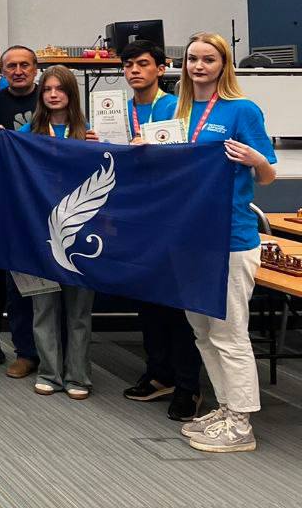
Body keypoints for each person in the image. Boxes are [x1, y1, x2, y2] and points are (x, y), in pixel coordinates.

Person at [175, 32, 276, 453]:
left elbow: (267, 175)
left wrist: (257, 159)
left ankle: (241, 422)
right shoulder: (178, 110)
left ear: (223, 65)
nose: (199, 66)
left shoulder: (242, 110)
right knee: (202, 331)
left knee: (229, 333)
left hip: (230, 237)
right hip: (188, 238)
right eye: (192, 59)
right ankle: (225, 406)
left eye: (208, 59)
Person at [117, 41, 201, 421]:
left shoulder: (177, 108)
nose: (135, 70)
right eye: (129, 64)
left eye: (142, 63)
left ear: (161, 68)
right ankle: (158, 373)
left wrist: (150, 148)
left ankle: (188, 385)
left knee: (176, 304)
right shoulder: (117, 111)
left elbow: (186, 159)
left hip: (171, 217)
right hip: (135, 218)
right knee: (148, 301)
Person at [19, 66, 99, 400]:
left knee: (79, 309)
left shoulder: (88, 132)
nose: (53, 95)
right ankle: (49, 373)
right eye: (47, 89)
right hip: (40, 231)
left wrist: (101, 148)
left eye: (60, 89)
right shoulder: (29, 131)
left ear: (71, 93)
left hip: (80, 232)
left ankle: (78, 375)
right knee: (44, 307)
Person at [0, 44, 42, 377]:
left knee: (50, 284)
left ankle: (55, 352)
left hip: (47, 203)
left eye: (24, 65)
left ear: (35, 68)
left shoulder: (50, 98)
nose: (18, 71)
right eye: (11, 66)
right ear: (2, 71)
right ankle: (25, 352)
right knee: (14, 281)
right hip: (8, 203)